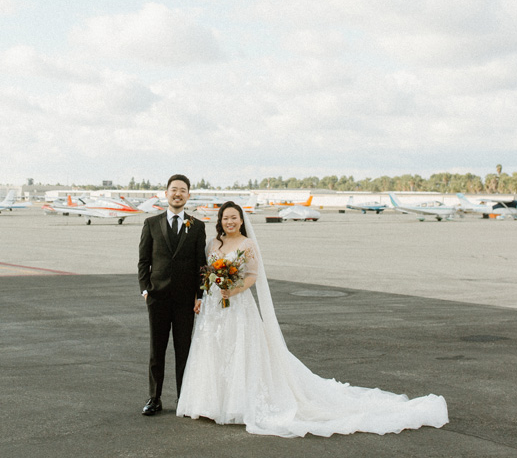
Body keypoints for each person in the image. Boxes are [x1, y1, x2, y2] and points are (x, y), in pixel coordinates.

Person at [177, 201, 449, 437]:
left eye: (234, 217)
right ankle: (211, 403)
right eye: (226, 218)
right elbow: (206, 272)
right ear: (220, 221)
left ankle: (236, 404)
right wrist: (207, 292)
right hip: (214, 307)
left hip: (238, 305)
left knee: (240, 352)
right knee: (213, 350)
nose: (230, 222)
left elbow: (252, 276)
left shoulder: (248, 244)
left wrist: (233, 289)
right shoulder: (213, 243)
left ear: (241, 220)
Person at [137, 174, 207, 416]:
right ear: (166, 193)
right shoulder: (151, 223)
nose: (178, 194)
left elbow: (201, 264)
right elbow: (143, 261)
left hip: (185, 300)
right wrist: (145, 289)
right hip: (157, 297)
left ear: (188, 195)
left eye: (183, 190)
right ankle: (154, 398)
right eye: (174, 189)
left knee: (184, 350)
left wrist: (200, 295)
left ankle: (183, 399)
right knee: (156, 350)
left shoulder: (197, 226)